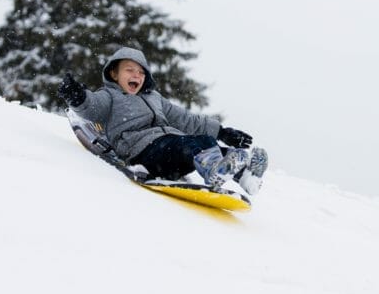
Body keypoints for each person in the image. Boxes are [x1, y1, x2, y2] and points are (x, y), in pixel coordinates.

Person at [58, 47, 267, 194]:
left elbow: (185, 118)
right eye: (129, 70)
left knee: (204, 143)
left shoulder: (154, 98)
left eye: (141, 72)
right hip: (142, 152)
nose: (136, 76)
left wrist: (222, 132)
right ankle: (213, 171)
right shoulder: (109, 96)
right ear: (114, 73)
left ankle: (246, 176)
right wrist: (78, 96)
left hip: (169, 150)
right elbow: (91, 108)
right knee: (191, 145)